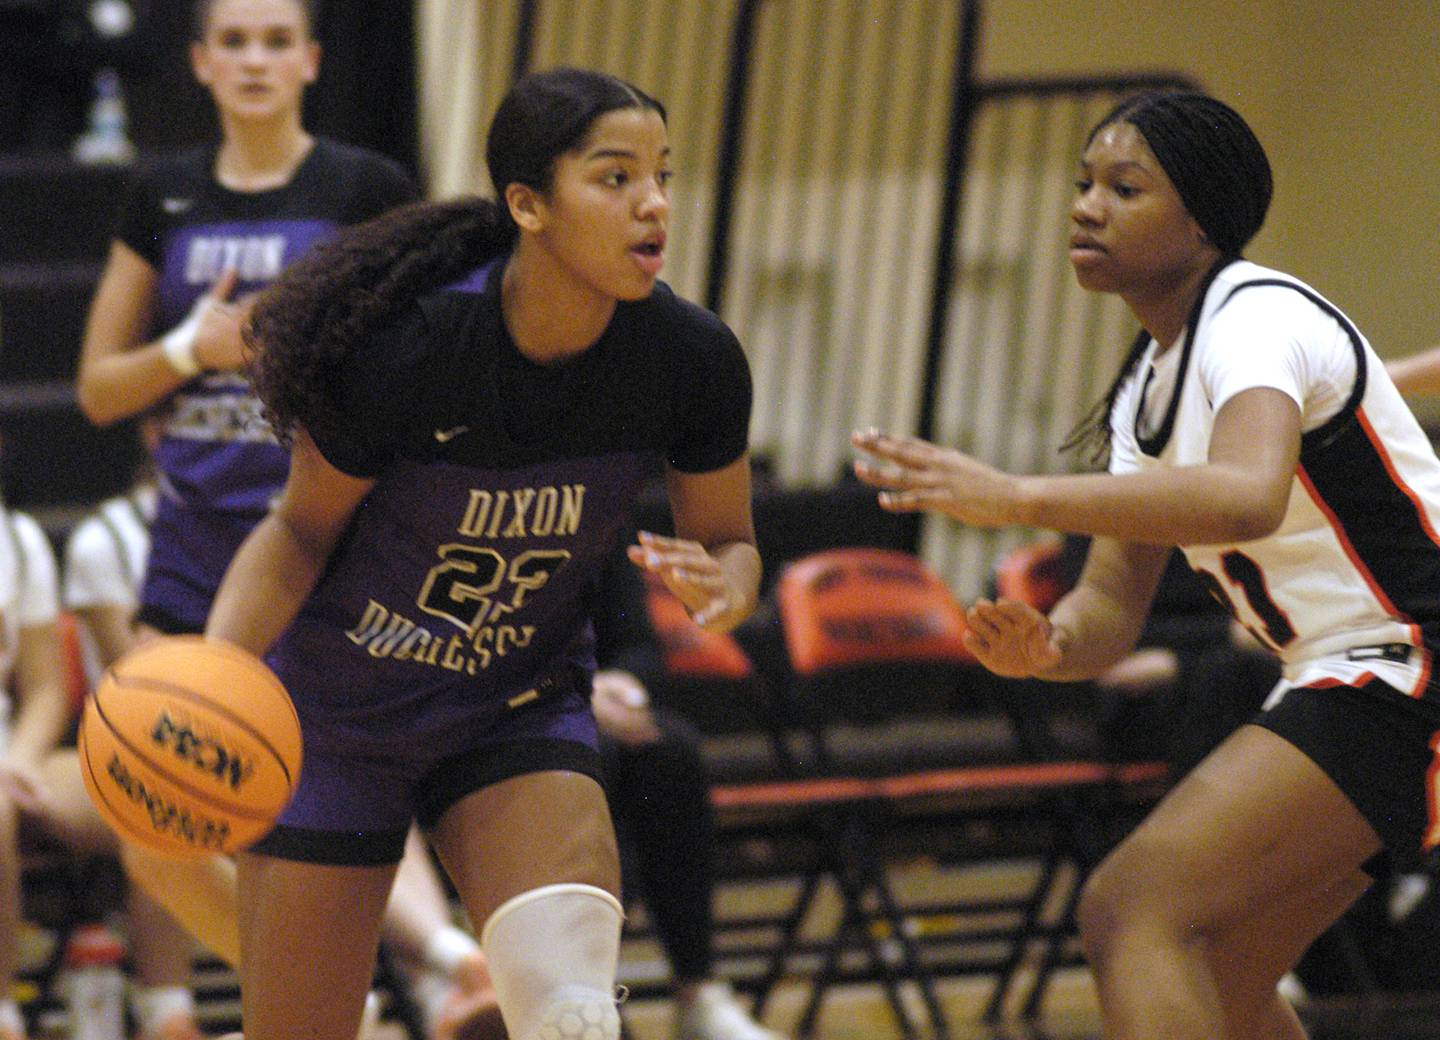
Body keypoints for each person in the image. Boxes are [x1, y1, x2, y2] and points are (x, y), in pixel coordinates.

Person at [852, 89, 1440, 1040]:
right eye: (1084, 184)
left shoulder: (1254, 317)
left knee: (1133, 909)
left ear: (1204, 215)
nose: (1087, 206)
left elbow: (1247, 492)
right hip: (1355, 670)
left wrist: (1018, 495)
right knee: (1219, 972)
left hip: (1411, 656)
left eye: (1125, 188)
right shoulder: (1145, 388)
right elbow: (1109, 609)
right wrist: (1043, 648)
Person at [203, 65, 759, 1040]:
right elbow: (295, 532)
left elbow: (734, 540)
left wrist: (729, 587)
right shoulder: (408, 353)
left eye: (663, 175)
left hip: (510, 704)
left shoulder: (690, 358)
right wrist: (209, 678)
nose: (655, 204)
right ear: (527, 204)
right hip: (335, 717)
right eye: (616, 177)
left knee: (574, 1018)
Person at [70, 2, 502, 1037]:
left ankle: (449, 970)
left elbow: (432, 349)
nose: (257, 59)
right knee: (153, 816)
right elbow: (95, 387)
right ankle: (339, 996)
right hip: (191, 552)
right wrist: (189, 352)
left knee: (334, 800)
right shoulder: (162, 194)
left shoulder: (364, 189)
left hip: (327, 539)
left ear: (311, 61)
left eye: (277, 41)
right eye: (237, 42)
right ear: (202, 64)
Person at [591, 532, 785, 1040]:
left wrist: (622, 687)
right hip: (493, 715)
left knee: (670, 750)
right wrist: (575, 697)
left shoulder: (596, 515)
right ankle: (582, 994)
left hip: (590, 711)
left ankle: (698, 990)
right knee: (594, 759)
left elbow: (638, 647)